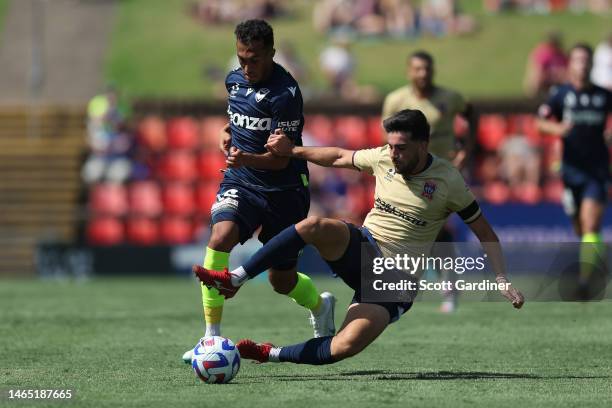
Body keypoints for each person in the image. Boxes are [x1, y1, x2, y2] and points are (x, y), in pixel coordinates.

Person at [193, 109, 525, 365]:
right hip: (364, 246)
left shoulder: (448, 180)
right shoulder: (384, 157)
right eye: (391, 146)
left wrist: (500, 277)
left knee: (344, 346)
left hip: (397, 280)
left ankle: (269, 353)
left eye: (402, 148)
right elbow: (338, 156)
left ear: (423, 145)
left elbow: (484, 230)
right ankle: (237, 278)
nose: (393, 154)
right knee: (315, 226)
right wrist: (292, 150)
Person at [182, 19, 334, 363]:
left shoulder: (287, 94)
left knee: (281, 281)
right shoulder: (234, 79)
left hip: (285, 190)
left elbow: (281, 161)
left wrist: (246, 156)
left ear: (271, 54)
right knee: (220, 237)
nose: (246, 67)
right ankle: (210, 338)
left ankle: (320, 304)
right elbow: (239, 116)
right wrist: (226, 131)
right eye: (241, 59)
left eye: (254, 60)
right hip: (242, 182)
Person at [382, 50, 475, 312]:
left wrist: (466, 150)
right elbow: (387, 140)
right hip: (410, 176)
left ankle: (435, 287)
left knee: (434, 228)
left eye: (427, 68)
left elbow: (472, 115)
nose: (423, 73)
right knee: (424, 230)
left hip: (443, 174)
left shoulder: (450, 98)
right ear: (409, 71)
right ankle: (443, 285)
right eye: (418, 69)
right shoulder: (395, 100)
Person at [537, 43, 612, 298]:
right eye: (578, 60)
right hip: (570, 171)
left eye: (586, 60)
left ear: (592, 65)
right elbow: (540, 122)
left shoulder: (604, 95)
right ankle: (596, 263)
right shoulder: (561, 95)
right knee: (580, 228)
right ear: (571, 64)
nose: (583, 65)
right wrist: (557, 129)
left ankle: (586, 281)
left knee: (591, 225)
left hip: (598, 170)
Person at [523, 31, 568, 97]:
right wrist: (555, 75)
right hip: (543, 89)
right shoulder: (543, 53)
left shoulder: (561, 54)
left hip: (559, 88)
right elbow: (537, 76)